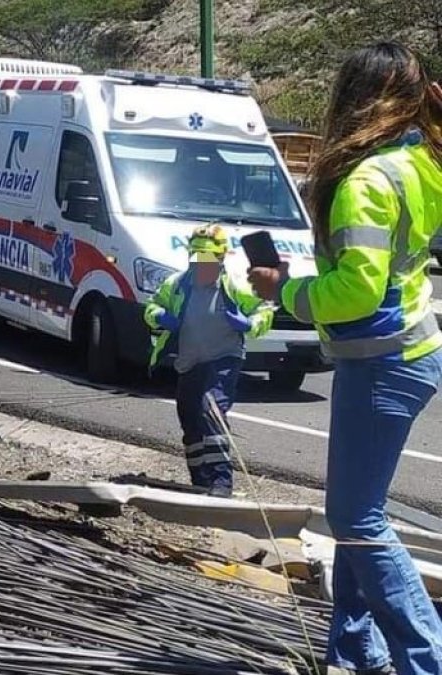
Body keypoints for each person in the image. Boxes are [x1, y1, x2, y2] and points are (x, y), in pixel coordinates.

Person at [248, 42, 442, 675]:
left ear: (354, 97)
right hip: (409, 349)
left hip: (382, 360)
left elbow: (357, 289)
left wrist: (288, 292)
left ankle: (425, 658)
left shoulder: (364, 180)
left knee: (354, 516)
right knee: (364, 514)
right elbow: (382, 271)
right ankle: (358, 651)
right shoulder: (418, 161)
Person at [143, 225, 272, 497]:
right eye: (196, 258)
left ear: (222, 257)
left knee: (210, 410)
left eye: (208, 259)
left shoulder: (234, 286)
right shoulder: (177, 285)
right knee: (189, 417)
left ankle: (221, 483)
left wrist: (248, 323)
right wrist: (161, 317)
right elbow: (152, 307)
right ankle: (200, 480)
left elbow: (264, 310)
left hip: (223, 358)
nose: (202, 265)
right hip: (189, 362)